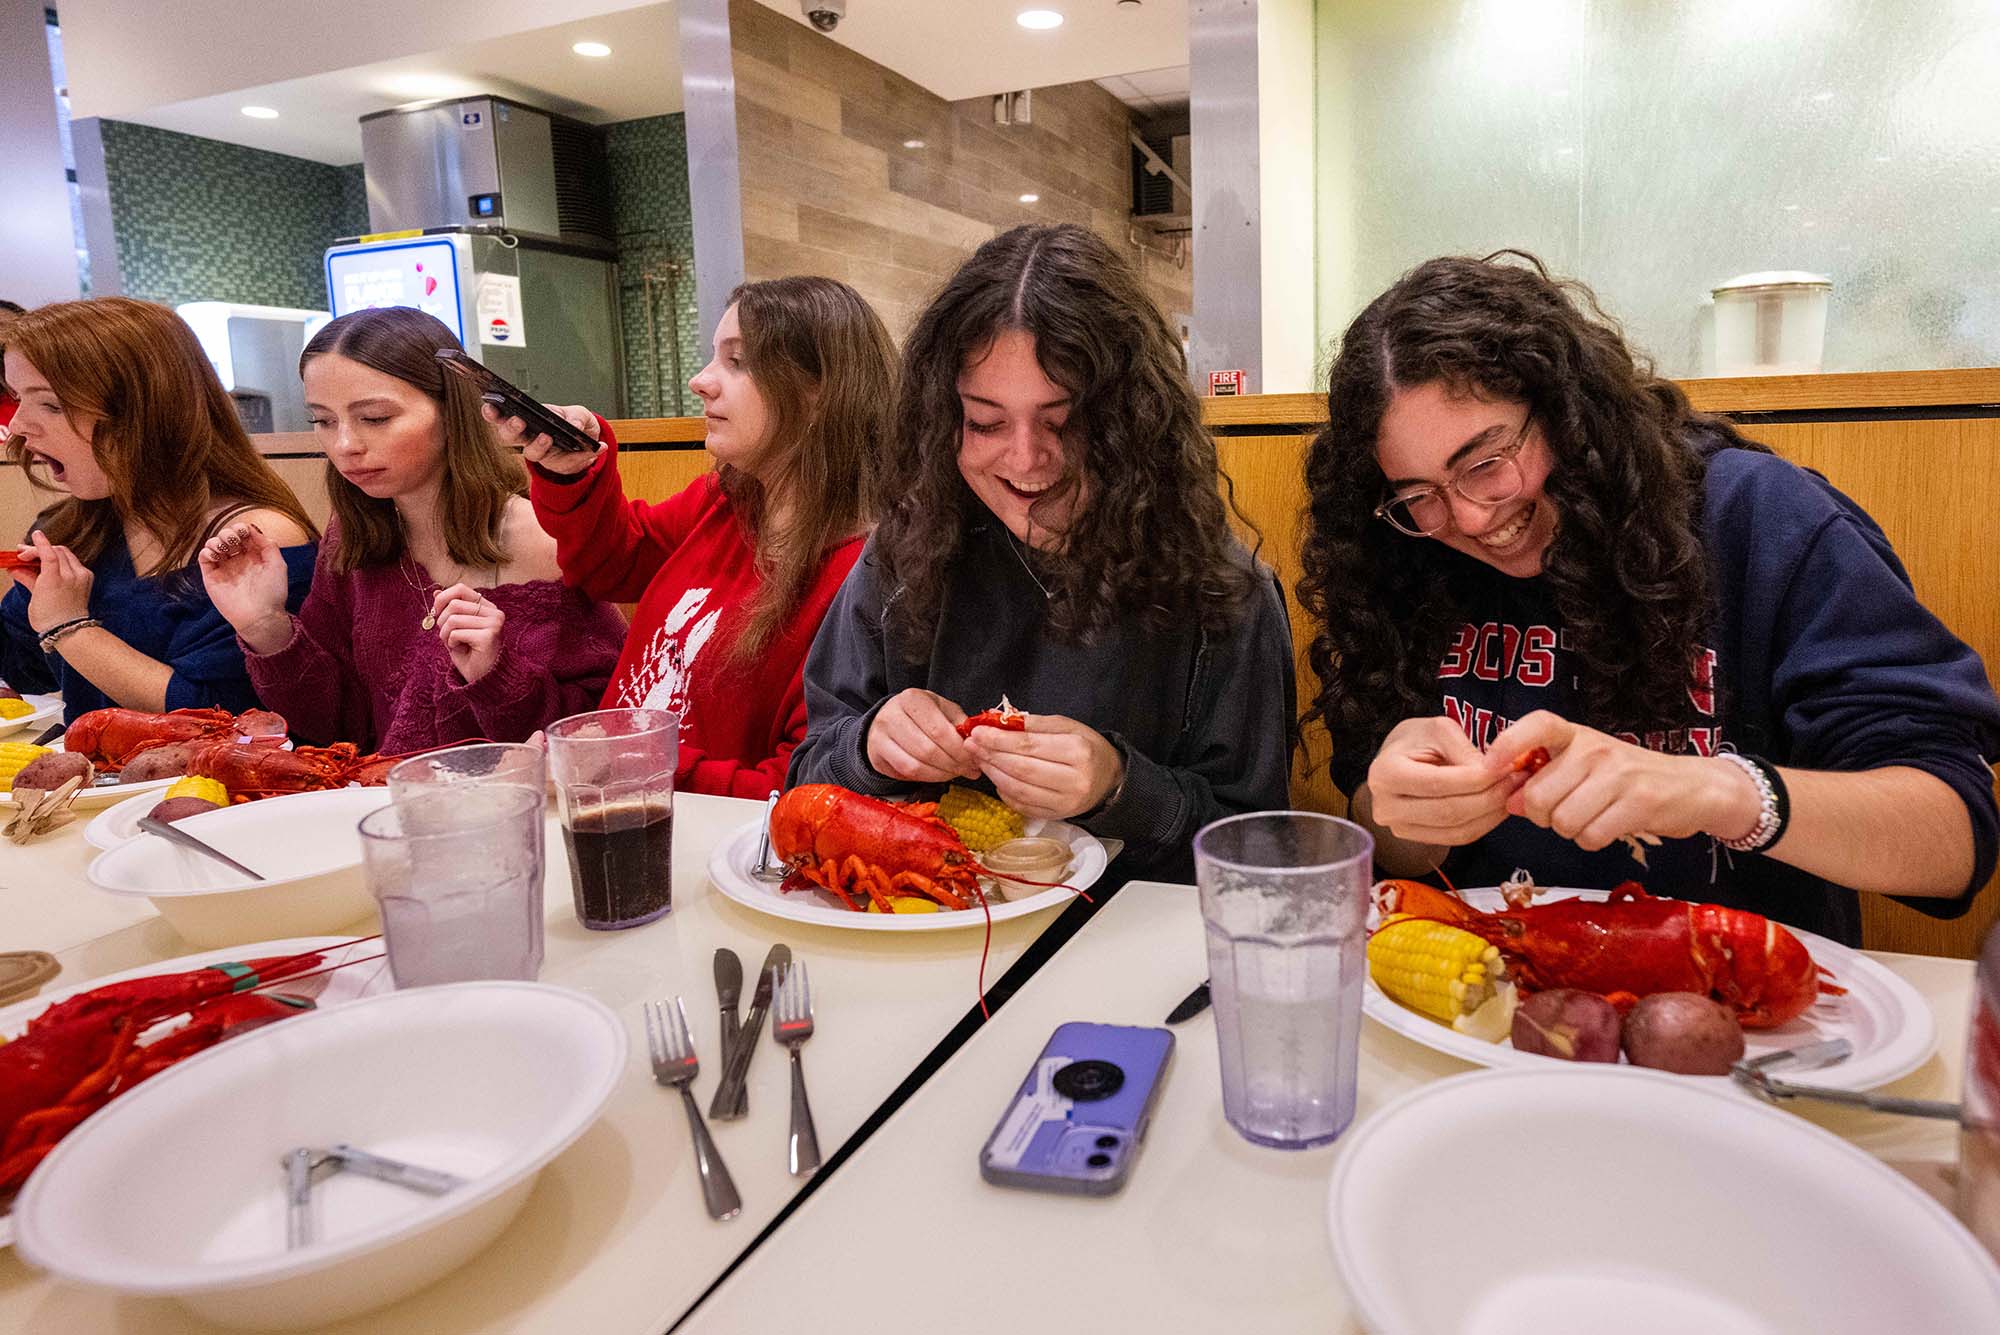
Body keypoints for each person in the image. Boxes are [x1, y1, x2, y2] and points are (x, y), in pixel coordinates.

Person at [1298, 251, 2000, 945]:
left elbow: (1953, 838)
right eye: (1419, 495)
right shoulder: (1404, 554)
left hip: (1739, 1014)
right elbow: (1390, 842)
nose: (1474, 519)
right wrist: (1402, 816)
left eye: (1486, 463)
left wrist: (1722, 792)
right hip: (1492, 1002)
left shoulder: (1759, 519)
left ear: (1568, 412)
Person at [787, 224, 1295, 880]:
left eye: (1064, 421)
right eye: (986, 422)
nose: (1025, 462)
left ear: (1130, 421)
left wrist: (1120, 787)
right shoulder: (905, 552)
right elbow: (806, 780)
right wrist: (867, 747)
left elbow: (1261, 850)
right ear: (947, 421)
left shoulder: (1227, 592)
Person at [499, 276, 894, 797]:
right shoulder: (723, 499)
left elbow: (801, 785)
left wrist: (633, 763)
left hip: (721, 852)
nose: (701, 380)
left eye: (738, 362)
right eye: (714, 357)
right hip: (617, 809)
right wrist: (573, 471)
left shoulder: (863, 575)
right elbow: (610, 566)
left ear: (820, 392)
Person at [198, 307, 626, 752]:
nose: (346, 445)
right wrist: (266, 627)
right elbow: (333, 725)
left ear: (453, 411)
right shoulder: (351, 538)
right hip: (387, 808)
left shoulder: (546, 536)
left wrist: (497, 673)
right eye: (323, 421)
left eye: (376, 418)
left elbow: (609, 726)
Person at [1, 297, 317, 721]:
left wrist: (67, 627)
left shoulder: (255, 539)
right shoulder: (73, 527)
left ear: (143, 413)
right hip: (101, 784)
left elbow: (217, 712)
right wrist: (43, 614)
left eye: (51, 405)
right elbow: (25, 670)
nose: (18, 425)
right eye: (17, 398)